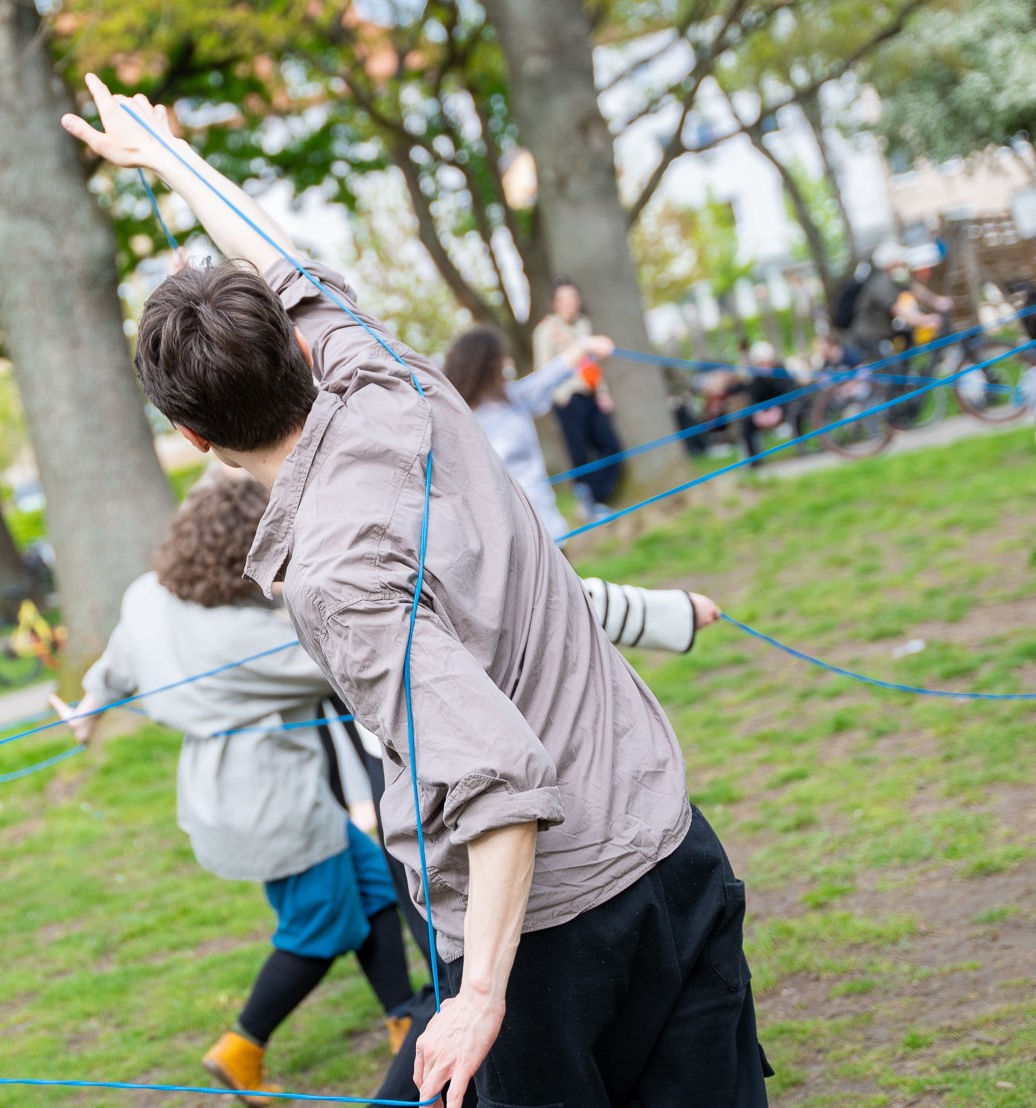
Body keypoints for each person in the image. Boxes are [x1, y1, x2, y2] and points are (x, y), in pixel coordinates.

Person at [64, 77, 769, 1108]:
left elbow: (497, 785)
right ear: (300, 346)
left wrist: (479, 996)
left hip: (553, 934)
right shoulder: (394, 379)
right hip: (670, 846)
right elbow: (281, 258)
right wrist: (166, 159)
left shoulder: (334, 576)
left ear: (191, 438)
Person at [52, 475, 417, 1106]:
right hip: (273, 799)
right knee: (321, 928)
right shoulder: (250, 639)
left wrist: (88, 709)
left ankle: (404, 1019)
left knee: (371, 886)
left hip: (223, 790)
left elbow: (116, 665)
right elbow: (352, 660)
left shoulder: (146, 596)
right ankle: (241, 1047)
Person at [441, 325, 613, 544]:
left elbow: (551, 374)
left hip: (547, 529)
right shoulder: (456, 418)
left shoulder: (514, 397)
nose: (507, 363)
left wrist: (585, 346)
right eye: (501, 359)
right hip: (504, 540)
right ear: (485, 365)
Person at [532, 277, 623, 521]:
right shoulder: (546, 331)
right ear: (555, 303)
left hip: (590, 393)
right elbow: (543, 370)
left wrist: (602, 391)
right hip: (568, 399)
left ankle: (598, 496)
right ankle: (588, 503)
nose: (570, 303)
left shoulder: (584, 324)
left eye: (573, 297)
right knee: (578, 452)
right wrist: (560, 397)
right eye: (563, 299)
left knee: (610, 445)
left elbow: (591, 363)